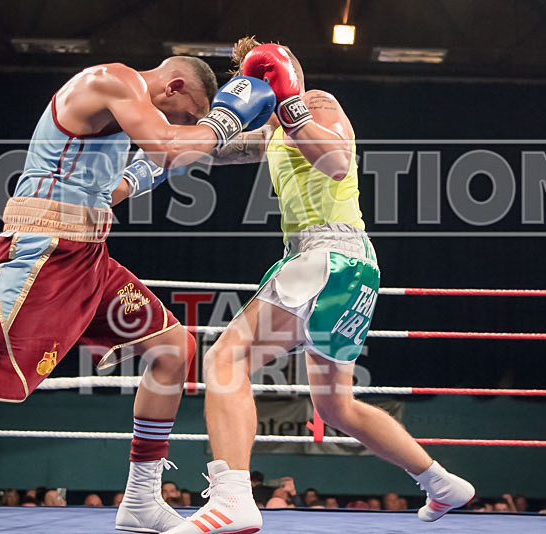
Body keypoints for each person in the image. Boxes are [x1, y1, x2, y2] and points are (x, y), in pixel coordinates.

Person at [0, 56, 276, 534]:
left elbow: (141, 174)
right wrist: (225, 117)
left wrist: (269, 134)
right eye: (189, 114)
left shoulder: (125, 113)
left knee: (172, 347)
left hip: (89, 257)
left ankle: (142, 500)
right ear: (175, 86)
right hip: (44, 251)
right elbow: (169, 146)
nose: (184, 124)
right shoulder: (113, 80)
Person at [164, 37, 474, 534]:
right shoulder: (271, 129)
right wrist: (147, 134)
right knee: (336, 405)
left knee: (225, 358)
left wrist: (290, 103)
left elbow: (337, 162)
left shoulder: (315, 104)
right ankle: (441, 483)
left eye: (261, 79)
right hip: (347, 267)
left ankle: (233, 499)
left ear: (281, 78)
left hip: (328, 256)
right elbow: (203, 154)